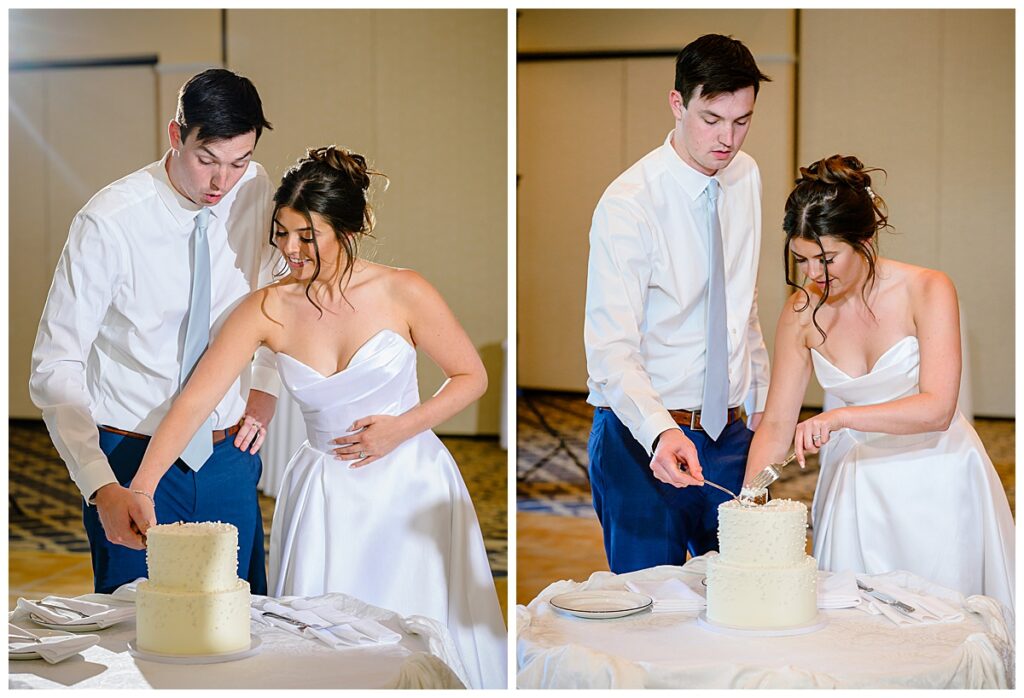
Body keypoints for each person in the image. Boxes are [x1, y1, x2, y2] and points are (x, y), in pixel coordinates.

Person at [125, 146, 507, 689]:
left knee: (418, 633)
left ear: (347, 231)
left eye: (308, 236)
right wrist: (142, 486)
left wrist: (401, 427)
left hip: (411, 483)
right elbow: (194, 402)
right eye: (282, 232)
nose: (290, 249)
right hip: (324, 493)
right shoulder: (268, 307)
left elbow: (471, 377)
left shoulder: (404, 290)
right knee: (319, 646)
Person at [30, 69, 279, 595]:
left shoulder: (255, 187)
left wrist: (266, 386)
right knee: (136, 636)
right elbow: (56, 365)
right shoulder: (109, 221)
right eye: (206, 159)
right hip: (128, 458)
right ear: (175, 135)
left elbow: (279, 293)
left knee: (243, 628)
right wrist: (100, 486)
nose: (221, 182)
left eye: (238, 162)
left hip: (227, 454)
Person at [744, 154, 1015, 624]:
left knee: (944, 627)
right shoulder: (801, 311)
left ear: (865, 241)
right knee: (854, 629)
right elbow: (775, 423)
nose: (814, 274)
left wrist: (840, 417)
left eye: (828, 258)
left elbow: (937, 409)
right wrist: (747, 504)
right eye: (803, 259)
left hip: (938, 476)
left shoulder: (928, 289)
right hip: (856, 485)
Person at [584, 34, 772, 573]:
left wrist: (760, 397)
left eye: (742, 121)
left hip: (731, 435)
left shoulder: (747, 176)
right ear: (677, 103)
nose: (727, 138)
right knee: (650, 611)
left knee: (741, 596)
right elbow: (610, 350)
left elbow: (743, 304)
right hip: (641, 435)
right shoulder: (628, 205)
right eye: (711, 118)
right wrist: (661, 431)